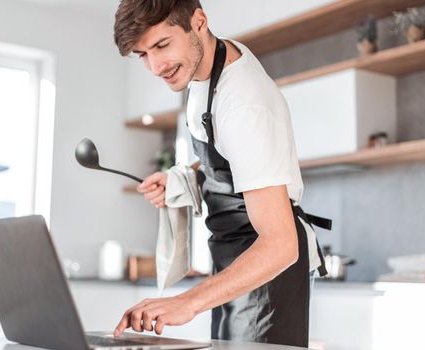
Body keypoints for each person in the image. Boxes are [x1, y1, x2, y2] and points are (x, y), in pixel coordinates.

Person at [112, 1, 330, 347]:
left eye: (162, 45)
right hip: (233, 261)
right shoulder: (202, 69)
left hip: (266, 271)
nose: (155, 66)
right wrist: (185, 177)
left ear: (199, 21)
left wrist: (187, 302)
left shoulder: (244, 102)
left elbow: (281, 244)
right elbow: (232, 154)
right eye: (142, 54)